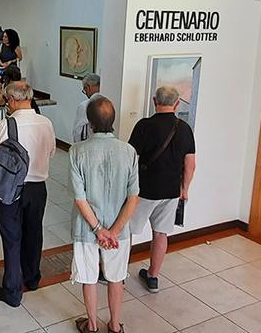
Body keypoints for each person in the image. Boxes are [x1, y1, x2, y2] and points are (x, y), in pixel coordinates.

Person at [0, 81, 56, 307]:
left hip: (10, 188)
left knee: (12, 238)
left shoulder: (7, 124)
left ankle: (13, 290)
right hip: (38, 188)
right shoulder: (46, 123)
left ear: (11, 100)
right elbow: (51, 152)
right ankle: (32, 278)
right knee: (34, 232)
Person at [70, 97, 139, 333]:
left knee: (89, 277)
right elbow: (133, 198)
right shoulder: (128, 151)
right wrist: (113, 232)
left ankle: (91, 325)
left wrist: (99, 230)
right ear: (113, 120)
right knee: (116, 278)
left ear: (89, 122)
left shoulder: (77, 151)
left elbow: (80, 198)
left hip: (86, 228)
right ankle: (115, 325)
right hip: (119, 231)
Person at [128, 85, 195, 293]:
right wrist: (184, 189)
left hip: (144, 190)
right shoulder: (184, 128)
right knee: (161, 234)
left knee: (127, 231)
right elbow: (190, 164)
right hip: (171, 191)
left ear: (154, 102)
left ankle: (117, 273)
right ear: (176, 104)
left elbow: (130, 158)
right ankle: (153, 276)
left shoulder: (144, 126)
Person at [0, 29, 22, 100]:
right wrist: (1, 64)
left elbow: (19, 58)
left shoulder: (16, 47)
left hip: (10, 67)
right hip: (1, 65)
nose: (3, 38)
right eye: (3, 37)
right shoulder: (2, 45)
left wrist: (10, 62)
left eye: (5, 37)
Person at [73, 74, 103, 142]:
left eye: (84, 90)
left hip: (89, 144)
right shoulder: (109, 102)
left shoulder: (84, 106)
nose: (85, 93)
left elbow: (78, 131)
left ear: (88, 87)